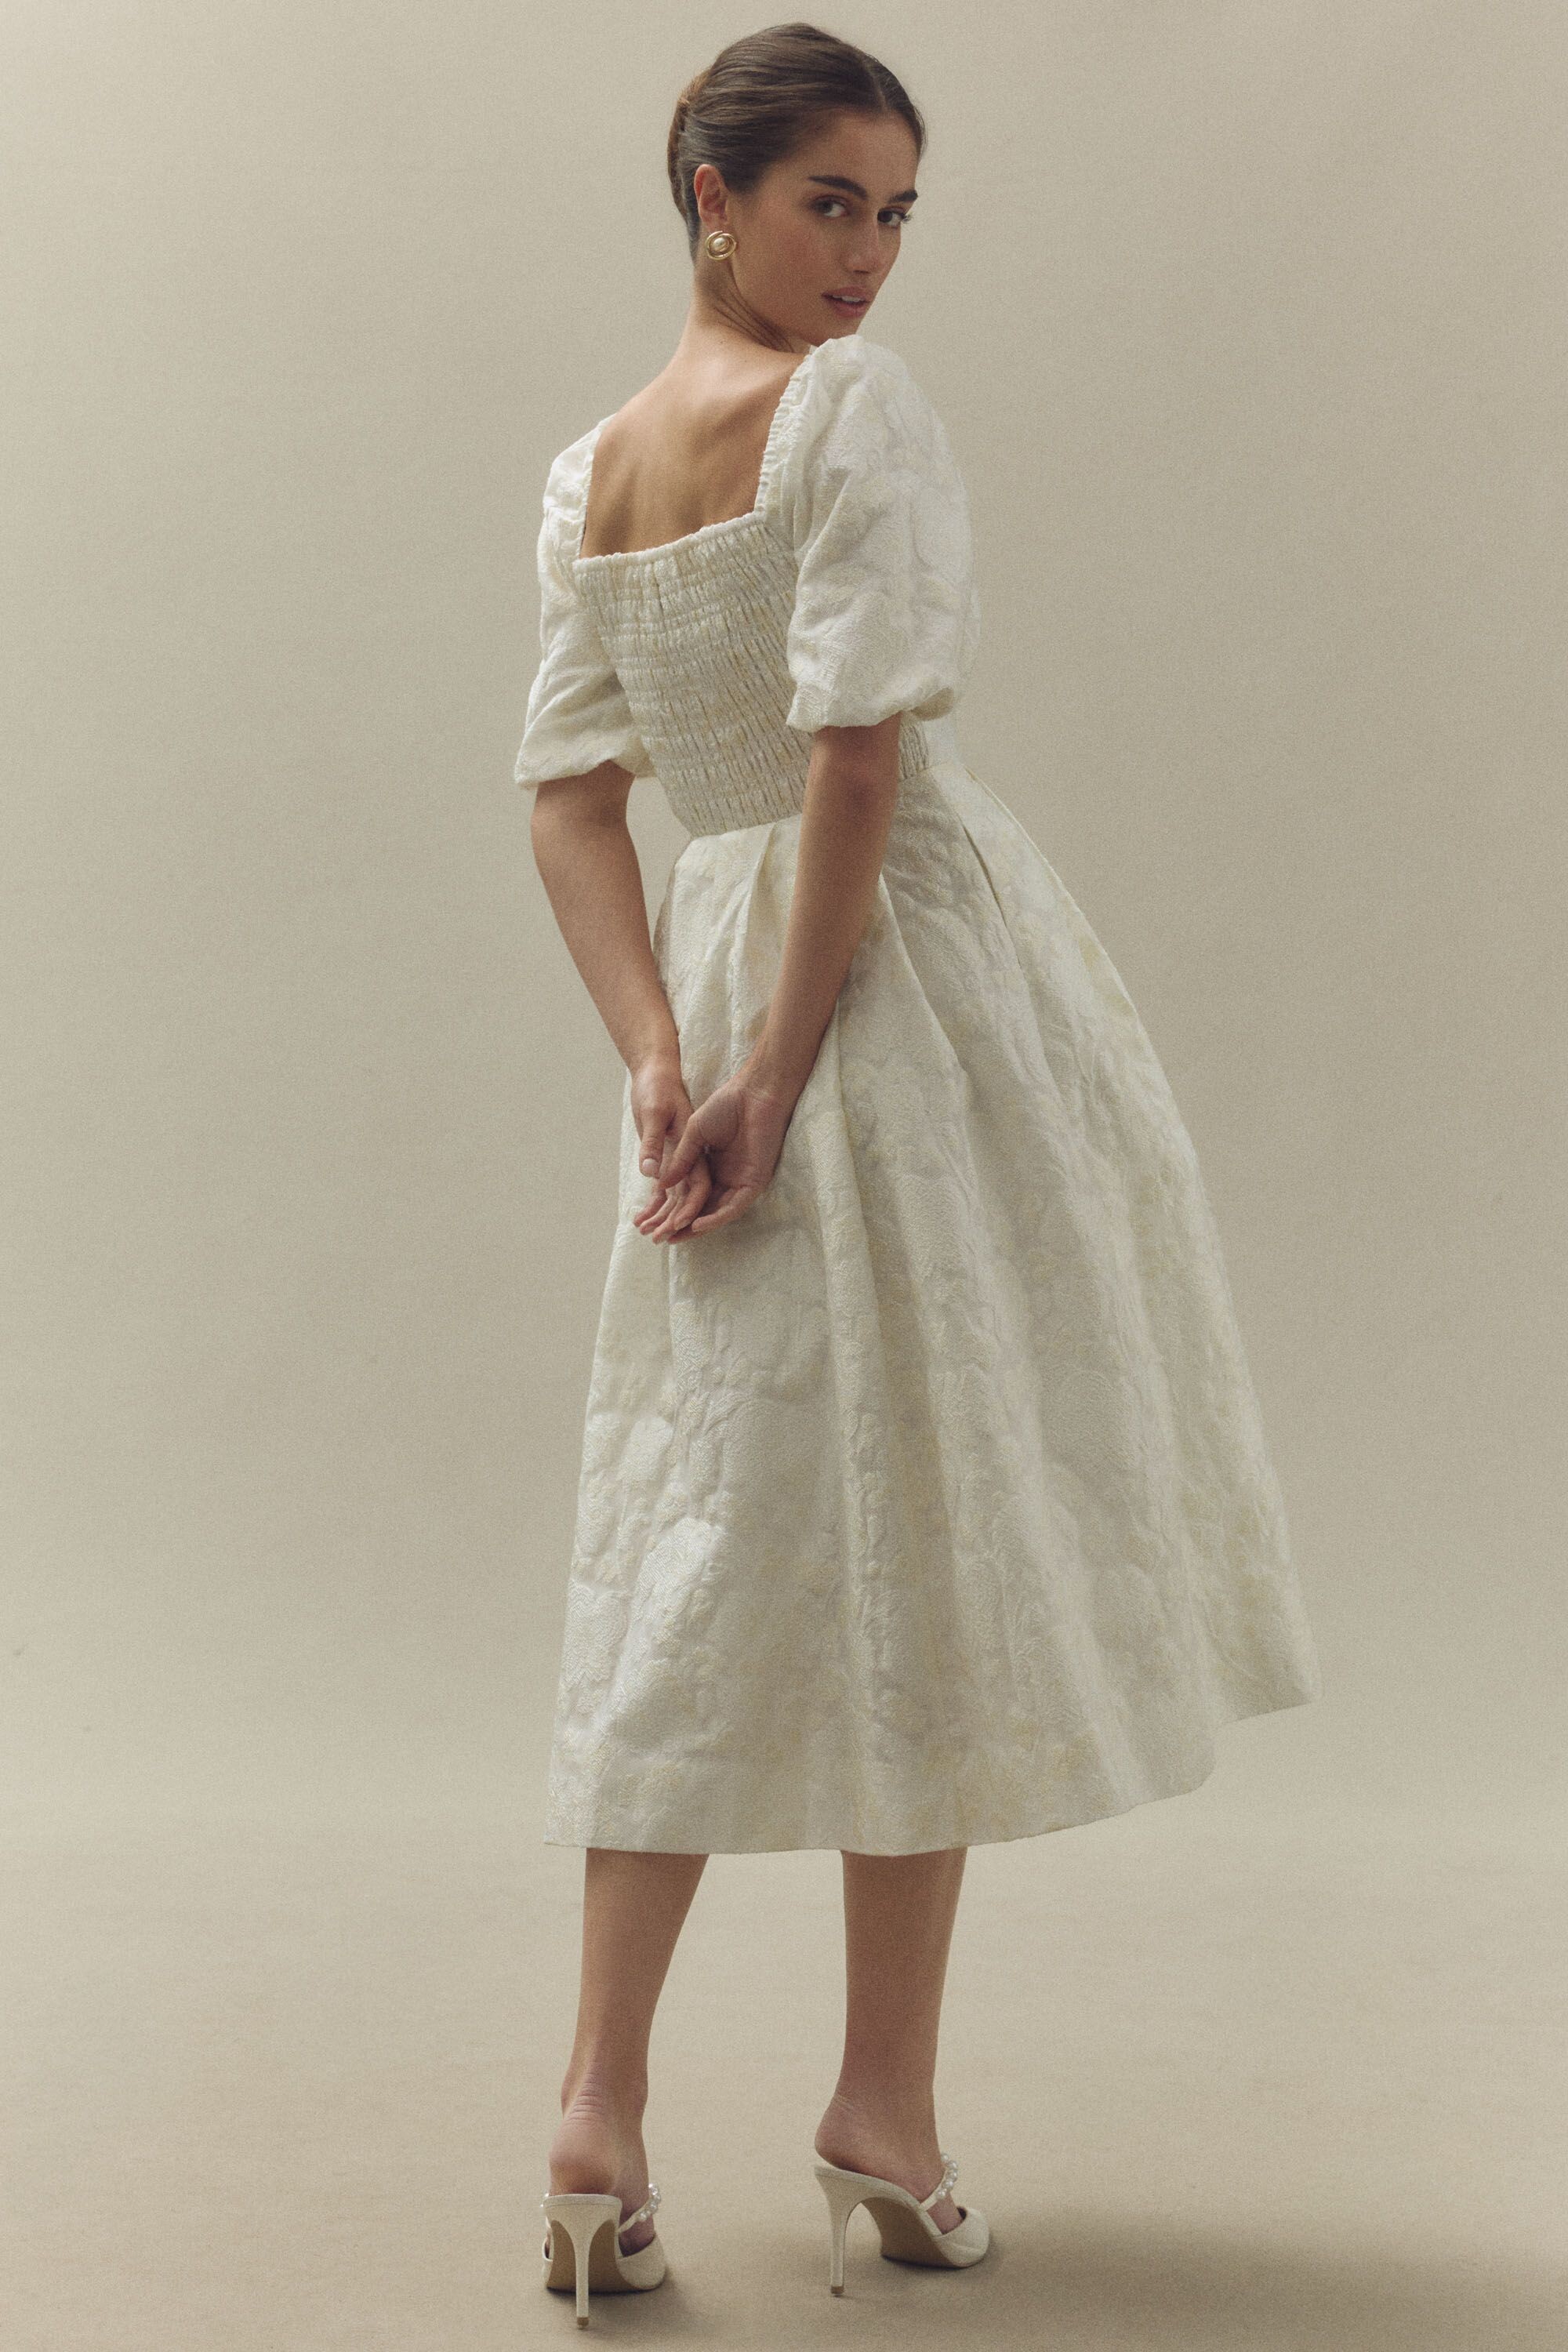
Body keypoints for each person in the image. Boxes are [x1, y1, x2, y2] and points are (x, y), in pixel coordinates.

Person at [514, 24, 1323, 2321]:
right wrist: (763, 1077)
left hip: (727, 989)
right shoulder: (848, 413)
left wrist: (659, 1055)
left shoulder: (589, 475)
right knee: (927, 1530)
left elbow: (572, 801)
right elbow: (855, 761)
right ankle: (877, 2109)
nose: (867, 257)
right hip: (897, 999)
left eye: (894, 215)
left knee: (697, 1540)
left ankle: (599, 2114)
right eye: (828, 203)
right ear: (713, 192)